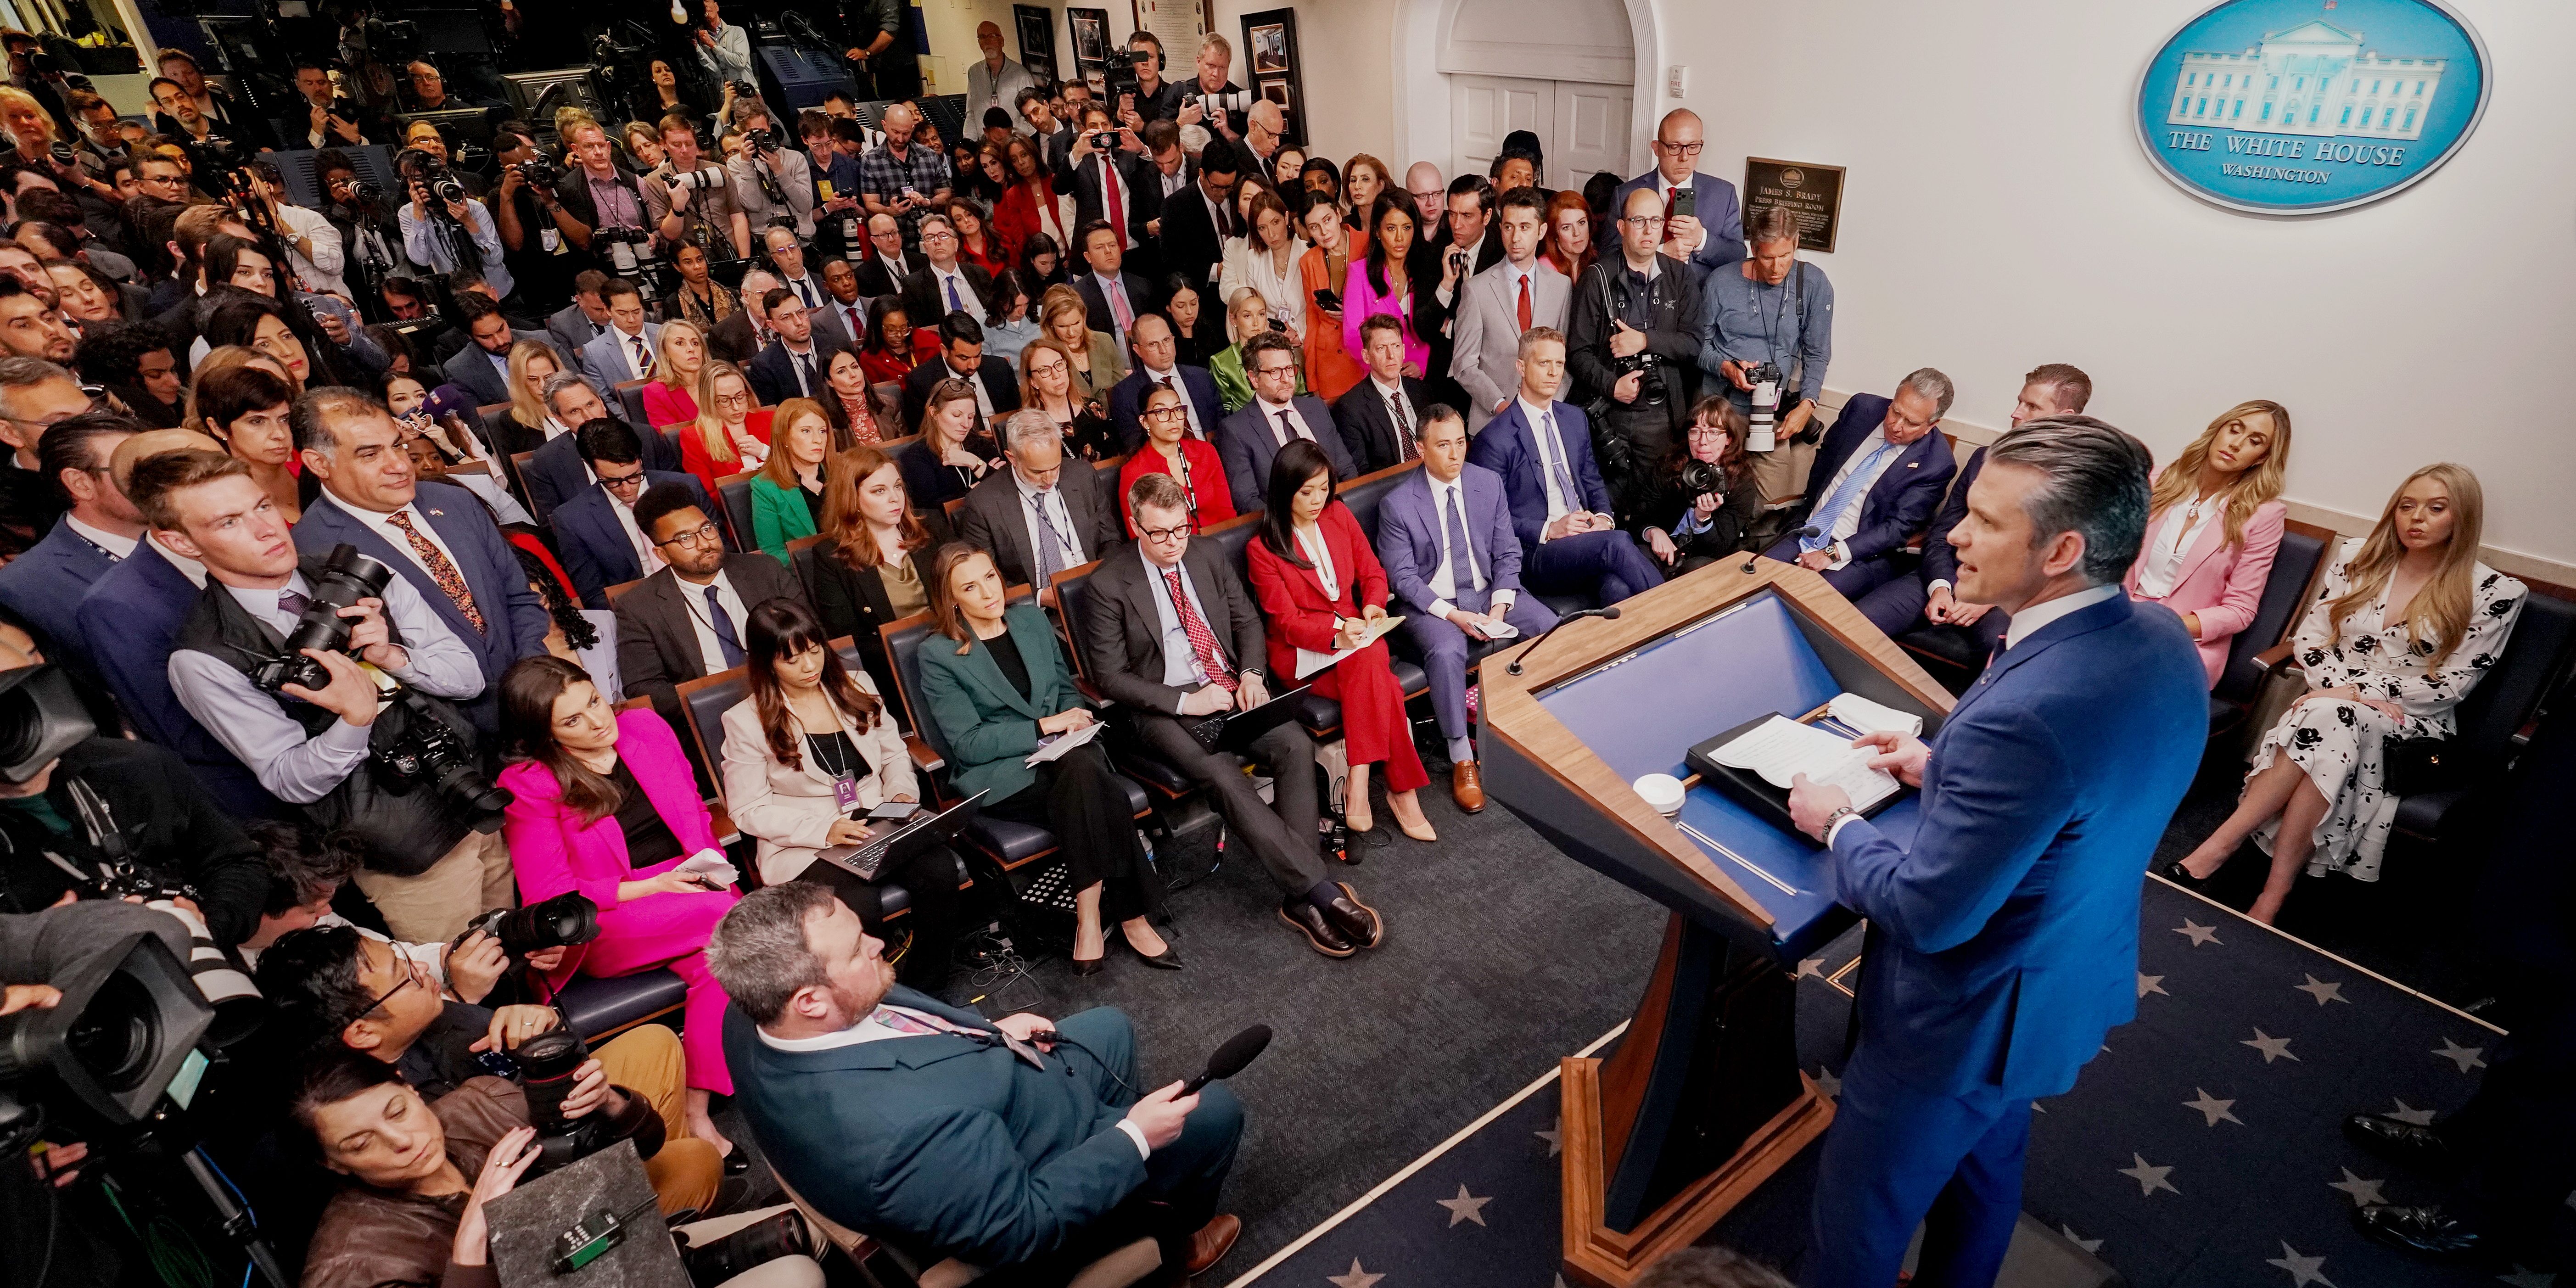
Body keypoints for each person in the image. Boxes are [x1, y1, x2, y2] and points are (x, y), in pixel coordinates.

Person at [1782, 416, 2207, 1288]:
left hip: (1959, 1018)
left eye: (1983, 519)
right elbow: (2087, 793)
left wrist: (1836, 822)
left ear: (2061, 551)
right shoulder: (2163, 639)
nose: (1955, 536)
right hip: (2056, 982)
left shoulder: (2027, 714)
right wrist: (1940, 771)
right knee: (1981, 1177)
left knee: (1857, 1221)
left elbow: (1927, 913)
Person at [712, 881, 1244, 1274]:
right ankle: (1177, 1241)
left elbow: (891, 1028)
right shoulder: (903, 1136)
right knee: (1215, 1111)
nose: (878, 943)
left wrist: (987, 1031)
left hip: (983, 1091)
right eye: (857, 950)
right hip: (1018, 1162)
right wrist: (1134, 1137)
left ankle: (1144, 1184)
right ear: (809, 1001)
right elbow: (1025, 1227)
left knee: (1111, 1025)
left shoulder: (749, 1016)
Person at [143, 449, 507, 942]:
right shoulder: (204, 657)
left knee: (523, 953)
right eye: (229, 522)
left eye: (263, 507)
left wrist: (392, 655)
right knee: (461, 986)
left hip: (477, 797)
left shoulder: (360, 574)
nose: (266, 530)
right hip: (404, 854)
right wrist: (352, 720)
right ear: (180, 541)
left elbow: (467, 678)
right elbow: (289, 779)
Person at [2167, 463, 2524, 920]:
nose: (2416, 518)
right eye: (2406, 505)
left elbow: (2452, 682)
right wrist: (2344, 695)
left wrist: (2353, 692)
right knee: (2331, 722)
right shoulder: (2358, 557)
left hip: (2412, 722)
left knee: (2328, 718)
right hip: (2330, 705)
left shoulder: (2493, 591)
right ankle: (2273, 891)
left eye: (2435, 509)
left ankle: (2220, 845)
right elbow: (2311, 638)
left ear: (2461, 519)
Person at [1079, 472, 1382, 956]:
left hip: (1228, 685)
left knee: (1293, 743)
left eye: (1181, 528)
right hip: (1161, 707)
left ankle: (1299, 897)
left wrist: (1252, 676)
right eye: (1159, 533)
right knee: (1222, 776)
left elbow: (1244, 620)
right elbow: (1111, 678)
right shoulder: (1107, 584)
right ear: (1136, 526)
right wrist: (1185, 701)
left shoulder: (1205, 553)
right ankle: (1319, 891)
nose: (1173, 542)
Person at [266, 966, 723, 1242]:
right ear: (333, 1164)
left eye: (398, 1112)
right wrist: (470, 1248)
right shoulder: (361, 1256)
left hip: (569, 1186)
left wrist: (555, 1048)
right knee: (693, 1163)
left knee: (653, 1052)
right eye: (363, 1143)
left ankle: (666, 1217)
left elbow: (587, 1128)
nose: (403, 1141)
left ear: (402, 1086)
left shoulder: (471, 1092)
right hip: (563, 1222)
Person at [498, 654, 745, 1155]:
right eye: (573, 720)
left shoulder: (645, 727)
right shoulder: (530, 784)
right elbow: (552, 897)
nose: (597, 720)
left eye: (593, 700)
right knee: (731, 921)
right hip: (603, 922)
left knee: (718, 962)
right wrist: (658, 887)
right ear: (546, 735)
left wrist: (706, 868)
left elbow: (695, 810)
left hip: (689, 892)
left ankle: (696, 1113)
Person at [915, 542, 1176, 972]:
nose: (987, 593)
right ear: (952, 600)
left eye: (990, 578)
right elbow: (968, 744)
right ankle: (1132, 917)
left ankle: (1090, 919)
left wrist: (1075, 719)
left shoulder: (1031, 620)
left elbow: (1066, 690)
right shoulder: (940, 653)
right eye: (970, 587)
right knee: (1091, 780)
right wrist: (1044, 729)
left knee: (1080, 772)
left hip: (1068, 755)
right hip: (1003, 774)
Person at [721, 598, 961, 989]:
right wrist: (826, 829)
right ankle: (870, 1000)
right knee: (855, 906)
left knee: (939, 871)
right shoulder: (745, 721)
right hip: (807, 841)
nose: (810, 667)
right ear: (767, 664)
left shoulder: (856, 684)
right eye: (792, 660)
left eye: (814, 651)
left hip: (878, 818)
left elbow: (894, 753)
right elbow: (748, 809)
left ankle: (926, 989)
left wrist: (900, 796)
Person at [293, 388, 552, 722]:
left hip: (532, 706)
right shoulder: (311, 551)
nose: (400, 465)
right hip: (446, 738)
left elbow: (518, 597)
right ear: (319, 464)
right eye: (370, 455)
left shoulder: (455, 501)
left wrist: (531, 681)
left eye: (398, 445)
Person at [1244, 440, 1436, 840]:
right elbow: (1286, 623)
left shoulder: (1338, 515)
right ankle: (1399, 791)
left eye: (1324, 488)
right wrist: (1337, 634)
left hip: (1356, 638)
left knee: (1370, 665)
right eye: (1306, 492)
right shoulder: (1262, 548)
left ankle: (1361, 778)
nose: (1319, 500)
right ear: (1285, 491)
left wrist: (1373, 606)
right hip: (1303, 655)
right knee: (1378, 674)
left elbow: (1372, 573)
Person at [1374, 404, 1558, 809]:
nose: (1456, 454)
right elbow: (1402, 579)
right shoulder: (1398, 504)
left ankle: (1542, 727)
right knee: (1446, 650)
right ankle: (1462, 757)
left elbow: (1508, 552)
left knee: (1550, 626)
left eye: (1461, 443)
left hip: (1489, 593)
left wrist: (1499, 608)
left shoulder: (1487, 483)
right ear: (1421, 449)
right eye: (1444, 445)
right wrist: (1454, 614)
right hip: (1433, 605)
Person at [1853, 365, 2092, 656]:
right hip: (1950, 574)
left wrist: (1991, 599)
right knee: (1855, 625)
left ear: (2063, 419)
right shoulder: (1985, 459)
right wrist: (1940, 586)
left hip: (2012, 595)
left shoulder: (2079, 481)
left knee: (1999, 650)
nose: (2016, 413)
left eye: (2032, 406)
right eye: (2019, 401)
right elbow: (1943, 533)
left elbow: (2061, 566)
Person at [1466, 328, 1663, 606]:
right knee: (1617, 544)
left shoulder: (1574, 418)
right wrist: (1551, 529)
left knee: (1616, 589)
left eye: (1559, 364)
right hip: (1536, 552)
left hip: (1586, 540)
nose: (1553, 373)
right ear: (1521, 367)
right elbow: (1490, 521)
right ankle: (1680, 611)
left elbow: (1591, 479)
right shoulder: (1494, 439)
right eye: (1544, 363)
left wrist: (1604, 519)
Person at [2123, 401, 2293, 687]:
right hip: (2115, 618)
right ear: (2217, 431)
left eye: (2254, 441)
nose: (2237, 444)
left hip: (2184, 643)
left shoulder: (2264, 515)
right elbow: (2102, 560)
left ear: (2262, 458)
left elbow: (2240, 609)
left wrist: (2163, 626)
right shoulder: (2152, 482)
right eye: (2234, 430)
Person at [613, 482, 809, 729]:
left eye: (706, 529)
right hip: (715, 720)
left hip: (794, 697)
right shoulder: (639, 608)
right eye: (685, 538)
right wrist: (714, 701)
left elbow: (811, 635)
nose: (705, 543)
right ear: (662, 555)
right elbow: (645, 688)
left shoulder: (765, 571)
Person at [1758, 369, 1958, 601]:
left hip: (1859, 555)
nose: (1896, 425)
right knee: (1754, 578)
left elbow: (1897, 528)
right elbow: (1825, 460)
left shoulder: (1936, 464)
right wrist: (1805, 513)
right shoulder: (1861, 410)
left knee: (1802, 601)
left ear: (1932, 425)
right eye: (1895, 411)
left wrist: (1833, 553)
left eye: (1911, 423)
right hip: (1808, 529)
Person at [1571, 185, 1706, 514]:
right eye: (1639, 221)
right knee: (1604, 504)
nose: (1648, 230)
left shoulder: (1680, 276)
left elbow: (1694, 343)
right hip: (1609, 413)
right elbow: (1577, 352)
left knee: (1654, 505)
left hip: (1663, 415)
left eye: (1656, 221)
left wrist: (1645, 341)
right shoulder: (1597, 277)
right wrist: (1612, 385)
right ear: (1621, 227)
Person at [1700, 206, 1834, 505]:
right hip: (1721, 411)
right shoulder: (1721, 283)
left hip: (1771, 414)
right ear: (1753, 248)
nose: (1777, 268)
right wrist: (1726, 368)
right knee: (1711, 504)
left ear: (1796, 243)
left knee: (1770, 508)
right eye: (1768, 258)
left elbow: (1817, 352)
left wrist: (1807, 404)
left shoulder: (1812, 284)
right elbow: (1697, 346)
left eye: (1785, 256)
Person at [807, 443, 945, 706]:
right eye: (879, 491)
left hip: (958, 649)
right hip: (897, 673)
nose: (895, 498)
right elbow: (851, 643)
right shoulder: (831, 557)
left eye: (897, 486)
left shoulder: (932, 526)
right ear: (853, 499)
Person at [0, 414, 136, 664]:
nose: (161, 479)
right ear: (81, 483)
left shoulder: (197, 525)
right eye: (133, 469)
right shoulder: (25, 586)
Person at [956, 408, 1121, 596]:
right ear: (1012, 459)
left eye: (1056, 467)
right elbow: (984, 576)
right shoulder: (984, 503)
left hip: (1098, 589)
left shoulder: (1082, 475)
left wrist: (1101, 581)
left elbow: (1110, 540)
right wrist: (1040, 597)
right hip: (1035, 608)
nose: (1050, 479)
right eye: (1038, 472)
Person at [554, 418, 714, 610]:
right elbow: (594, 596)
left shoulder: (687, 487)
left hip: (707, 592)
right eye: (612, 481)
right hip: (642, 611)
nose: (626, 488)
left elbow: (720, 550)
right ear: (590, 467)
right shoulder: (573, 520)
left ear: (640, 459)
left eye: (634, 476)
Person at [1449, 186, 1568, 431]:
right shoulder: (1476, 289)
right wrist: (1502, 406)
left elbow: (1565, 358)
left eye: (1525, 227)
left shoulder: (1561, 287)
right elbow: (1464, 364)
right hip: (1493, 422)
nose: (1515, 238)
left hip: (1545, 420)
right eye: (1508, 227)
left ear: (1541, 231)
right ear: (1500, 228)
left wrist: (1550, 405)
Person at [1214, 332, 1355, 512]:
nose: (1286, 379)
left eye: (1290, 369)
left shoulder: (1316, 408)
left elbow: (1346, 470)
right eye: (1275, 372)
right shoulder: (1235, 431)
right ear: (1254, 378)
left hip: (1336, 513)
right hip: (1285, 528)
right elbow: (1248, 502)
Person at [1631, 398, 1762, 575]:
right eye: (1696, 432)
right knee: (1619, 581)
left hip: (1704, 559)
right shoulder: (1669, 466)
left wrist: (1703, 519)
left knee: (1696, 570)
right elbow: (1638, 518)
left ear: (1729, 439)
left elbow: (1719, 548)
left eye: (1713, 432)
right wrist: (1653, 532)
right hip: (1663, 550)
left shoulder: (1741, 481)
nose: (1703, 441)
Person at [1613, 109, 1745, 274]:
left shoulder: (1723, 194)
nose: (1684, 157)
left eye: (1693, 147)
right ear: (1657, 148)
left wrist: (1701, 239)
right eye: (1675, 147)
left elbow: (1738, 256)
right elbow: (1608, 257)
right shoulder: (1626, 194)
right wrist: (1658, 253)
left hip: (1699, 296)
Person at [1116, 382, 1230, 536]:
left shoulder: (1205, 452)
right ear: (1145, 422)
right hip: (1173, 552)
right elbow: (1138, 535)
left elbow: (1227, 512)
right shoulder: (1134, 472)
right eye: (1162, 411)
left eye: (1178, 409)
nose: (1173, 419)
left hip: (1220, 542)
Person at [196, 363, 302, 524]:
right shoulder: (226, 507)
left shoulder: (315, 473)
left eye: (284, 419)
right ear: (218, 428)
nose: (279, 434)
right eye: (257, 421)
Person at [1341, 195, 1430, 383]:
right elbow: (1353, 337)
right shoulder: (1359, 273)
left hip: (1422, 376)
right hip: (1379, 378)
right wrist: (1389, 366)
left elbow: (1434, 326)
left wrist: (1421, 364)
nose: (1400, 238)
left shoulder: (1426, 270)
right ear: (1377, 232)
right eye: (1391, 228)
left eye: (1407, 228)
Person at [1330, 314, 1431, 475]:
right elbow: (1362, 475)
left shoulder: (1422, 391)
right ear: (1366, 356)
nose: (1391, 356)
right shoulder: (1351, 409)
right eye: (1381, 348)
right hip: (1391, 489)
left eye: (1396, 346)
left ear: (1404, 351)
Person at [1106, 311, 1223, 450]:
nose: (1163, 350)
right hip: (1164, 467)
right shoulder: (1125, 393)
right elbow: (1135, 447)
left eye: (1167, 340)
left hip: (1212, 457)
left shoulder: (1201, 377)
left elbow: (1221, 427)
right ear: (1137, 350)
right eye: (1153, 344)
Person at [1216, 185, 1306, 353]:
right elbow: (1255, 306)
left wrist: (1301, 335)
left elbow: (1317, 312)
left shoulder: (1308, 253)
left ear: (1286, 218)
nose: (1272, 234)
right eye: (1262, 228)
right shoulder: (1254, 259)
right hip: (1270, 346)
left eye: (1275, 222)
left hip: (1308, 344)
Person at [902, 308, 1022, 431]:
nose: (973, 365)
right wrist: (971, 438)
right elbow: (923, 434)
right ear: (944, 351)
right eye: (964, 358)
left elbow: (1019, 415)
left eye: (978, 356)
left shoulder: (999, 368)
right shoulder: (921, 381)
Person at [1294, 201, 1366, 402]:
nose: (1324, 231)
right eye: (1314, 227)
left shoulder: (1367, 244)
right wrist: (1313, 379)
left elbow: (1383, 303)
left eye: (1327, 220)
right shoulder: (1308, 261)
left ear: (1338, 215)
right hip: (1329, 364)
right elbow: (1312, 320)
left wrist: (1351, 316)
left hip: (1363, 355)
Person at [897, 378, 1002, 511]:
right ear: (934, 413)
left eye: (971, 417)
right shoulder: (916, 457)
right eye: (957, 415)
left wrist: (974, 462)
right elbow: (931, 509)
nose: (966, 424)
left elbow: (1005, 486)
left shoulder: (980, 445)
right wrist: (978, 487)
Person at [751, 398, 833, 562]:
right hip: (809, 574)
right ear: (785, 438)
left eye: (822, 431)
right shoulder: (765, 487)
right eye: (806, 431)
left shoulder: (844, 472)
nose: (818, 440)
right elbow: (773, 553)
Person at [858, 102, 952, 240]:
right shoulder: (871, 160)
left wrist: (928, 202)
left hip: (931, 236)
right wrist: (889, 211)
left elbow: (946, 194)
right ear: (884, 126)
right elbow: (870, 204)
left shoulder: (929, 156)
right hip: (895, 237)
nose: (900, 139)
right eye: (895, 132)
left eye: (906, 133)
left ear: (912, 129)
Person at [681, 359, 774, 497]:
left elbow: (799, 471)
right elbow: (705, 497)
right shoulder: (694, 437)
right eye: (725, 400)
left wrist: (766, 453)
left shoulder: (770, 419)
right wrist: (739, 486)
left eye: (740, 396)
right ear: (710, 400)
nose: (736, 407)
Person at [437, 295, 549, 407]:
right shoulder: (460, 371)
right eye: (486, 337)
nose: (500, 342)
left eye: (501, 329)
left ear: (505, 320)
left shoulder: (544, 341)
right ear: (470, 336)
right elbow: (478, 422)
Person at [1157, 144, 1239, 294]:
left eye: (1228, 187)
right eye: (1216, 187)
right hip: (1205, 295)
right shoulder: (1176, 206)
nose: (1223, 194)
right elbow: (1173, 262)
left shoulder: (1240, 193)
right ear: (1202, 174)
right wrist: (1217, 271)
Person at [1020, 336, 1118, 462]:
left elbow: (1114, 459)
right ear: (1033, 382)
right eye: (1045, 370)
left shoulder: (1094, 408)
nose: (1056, 375)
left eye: (1059, 364)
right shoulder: (1030, 427)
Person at [1071, 218, 1156, 361]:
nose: (1108, 251)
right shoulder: (1077, 296)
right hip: (1107, 370)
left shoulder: (1143, 287)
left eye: (1113, 245)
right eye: (1100, 248)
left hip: (1149, 362)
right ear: (1088, 257)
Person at [747, 289, 838, 407]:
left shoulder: (836, 345)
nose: (799, 322)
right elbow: (775, 415)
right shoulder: (765, 366)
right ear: (773, 325)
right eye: (786, 317)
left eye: (801, 312)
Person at [1207, 286, 1291, 413]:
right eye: (1248, 316)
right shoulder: (1222, 363)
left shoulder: (1283, 352)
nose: (1256, 323)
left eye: (1261, 314)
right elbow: (1224, 413)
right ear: (1233, 319)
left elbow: (1302, 395)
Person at [1041, 284, 1130, 401]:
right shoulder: (1045, 355)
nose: (1071, 333)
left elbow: (1122, 388)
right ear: (1051, 325)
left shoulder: (1104, 341)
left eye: (1076, 323)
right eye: (1063, 326)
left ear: (1083, 317)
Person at [578, 278, 665, 390]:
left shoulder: (665, 334)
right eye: (622, 313)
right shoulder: (595, 353)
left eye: (637, 311)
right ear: (608, 310)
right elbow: (604, 398)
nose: (632, 319)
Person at [644, 317, 711, 428]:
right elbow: (671, 440)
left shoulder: (720, 381)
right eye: (680, 343)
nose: (691, 349)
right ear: (665, 352)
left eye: (695, 343)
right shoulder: (656, 393)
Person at [669, 242, 741, 332]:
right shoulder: (674, 303)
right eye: (688, 263)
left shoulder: (729, 293)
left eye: (700, 260)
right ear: (677, 267)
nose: (697, 267)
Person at [547, 271, 616, 361]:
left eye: (609, 307)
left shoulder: (630, 310)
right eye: (598, 309)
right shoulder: (562, 324)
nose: (607, 314)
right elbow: (569, 366)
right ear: (580, 301)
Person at [852, 213, 920, 300]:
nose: (892, 239)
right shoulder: (864, 275)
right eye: (883, 235)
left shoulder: (922, 262)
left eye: (894, 233)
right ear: (874, 240)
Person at [858, 296, 921, 387]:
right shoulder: (869, 359)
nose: (900, 335)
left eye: (904, 328)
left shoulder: (921, 340)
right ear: (877, 328)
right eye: (892, 330)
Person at [1541, 190, 1596, 282]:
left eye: (1582, 223)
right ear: (1555, 235)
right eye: (1567, 227)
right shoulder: (1545, 269)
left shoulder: (1595, 259)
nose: (1577, 233)